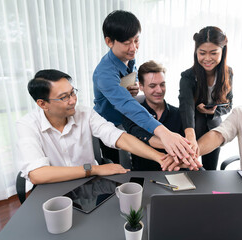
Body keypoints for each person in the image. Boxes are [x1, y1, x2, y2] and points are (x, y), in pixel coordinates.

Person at [17, 69, 171, 185]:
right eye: (64, 97)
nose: (72, 101)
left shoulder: (84, 113)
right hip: (51, 189)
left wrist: (160, 157)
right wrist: (93, 169)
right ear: (42, 104)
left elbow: (117, 136)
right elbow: (37, 175)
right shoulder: (27, 125)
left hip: (89, 187)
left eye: (72, 93)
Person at [92, 10, 197, 167]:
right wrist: (164, 133)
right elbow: (127, 105)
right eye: (127, 43)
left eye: (136, 40)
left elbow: (125, 97)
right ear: (109, 41)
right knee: (118, 171)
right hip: (110, 126)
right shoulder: (104, 73)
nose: (133, 48)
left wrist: (130, 91)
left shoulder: (129, 58)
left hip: (129, 119)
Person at [123, 61, 198, 171]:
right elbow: (139, 137)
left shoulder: (180, 115)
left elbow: (190, 146)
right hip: (145, 175)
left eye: (162, 84)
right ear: (141, 86)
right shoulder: (132, 113)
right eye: (152, 86)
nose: (159, 90)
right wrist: (173, 145)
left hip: (178, 172)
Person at [178, 26, 233, 170]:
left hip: (214, 130)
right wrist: (190, 135)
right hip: (192, 128)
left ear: (223, 51)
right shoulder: (187, 77)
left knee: (210, 172)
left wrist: (213, 112)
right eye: (202, 53)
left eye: (213, 53)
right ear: (196, 52)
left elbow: (229, 104)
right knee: (189, 169)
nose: (207, 58)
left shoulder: (228, 74)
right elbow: (186, 106)